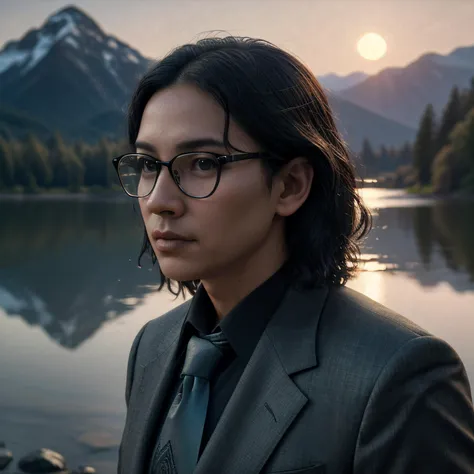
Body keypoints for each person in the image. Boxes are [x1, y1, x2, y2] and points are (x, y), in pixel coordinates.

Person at [114, 36, 474, 474]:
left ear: (291, 186)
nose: (159, 200)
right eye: (149, 164)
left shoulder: (399, 376)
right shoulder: (152, 346)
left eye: (203, 163)